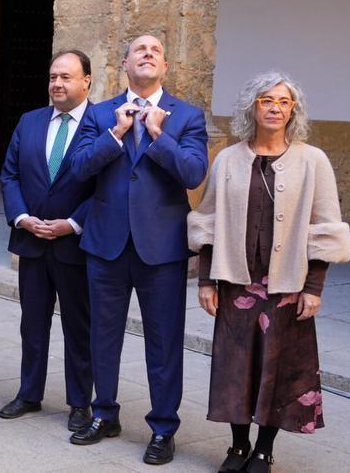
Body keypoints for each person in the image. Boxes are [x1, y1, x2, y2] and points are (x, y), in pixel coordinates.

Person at [188, 71, 350, 473]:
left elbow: (324, 228)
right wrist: (206, 279)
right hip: (235, 280)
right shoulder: (228, 159)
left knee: (276, 368)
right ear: (252, 107)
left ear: (293, 110)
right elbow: (206, 222)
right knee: (234, 366)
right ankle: (238, 447)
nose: (275, 108)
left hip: (287, 284)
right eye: (267, 100)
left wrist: (314, 286)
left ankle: (264, 449)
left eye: (283, 101)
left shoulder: (313, 161)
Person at [67, 34, 208, 465]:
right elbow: (78, 170)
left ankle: (163, 427)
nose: (147, 55)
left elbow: (194, 174)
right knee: (102, 337)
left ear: (165, 65)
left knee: (163, 343)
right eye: (139, 51)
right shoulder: (100, 113)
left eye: (156, 51)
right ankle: (104, 413)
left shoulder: (187, 116)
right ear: (124, 63)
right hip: (106, 245)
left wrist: (157, 134)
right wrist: (116, 133)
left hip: (161, 250)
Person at [0, 50, 96, 432]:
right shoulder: (30, 121)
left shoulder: (102, 122)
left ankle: (79, 402)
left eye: (66, 77)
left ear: (86, 80)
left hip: (76, 244)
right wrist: (22, 218)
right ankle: (29, 392)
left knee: (78, 326)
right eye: (53, 76)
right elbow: (9, 175)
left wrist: (73, 224)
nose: (57, 84)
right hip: (33, 242)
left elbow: (106, 186)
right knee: (32, 323)